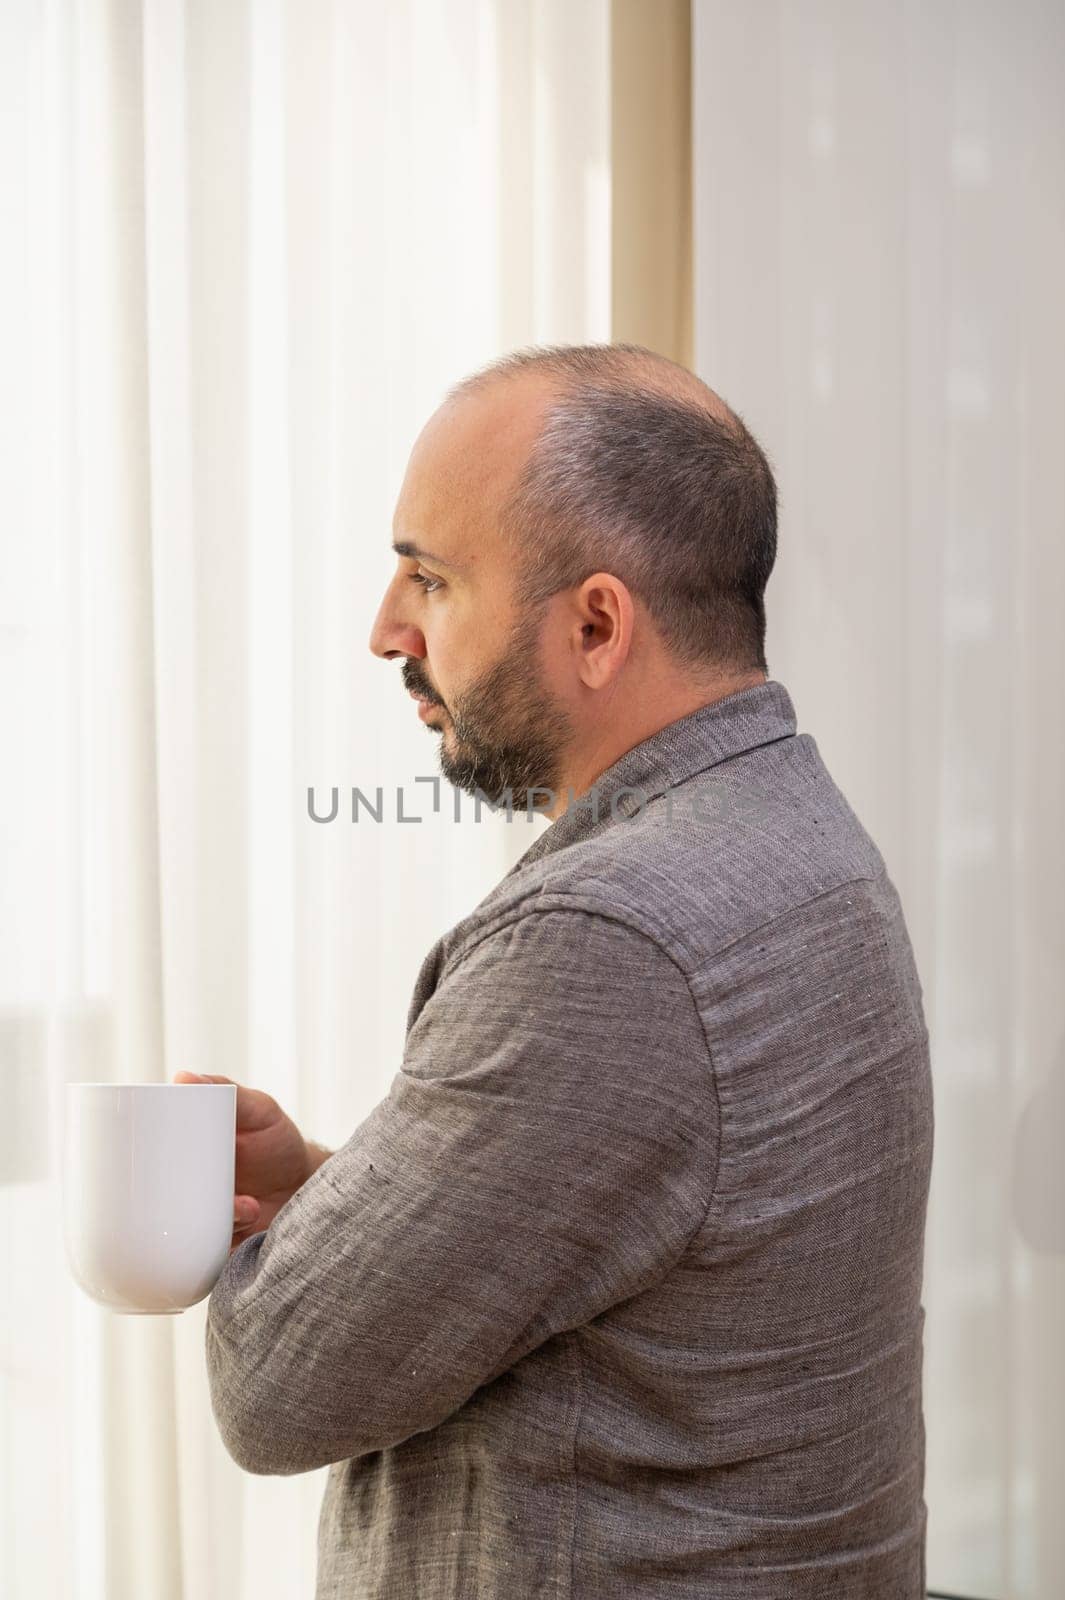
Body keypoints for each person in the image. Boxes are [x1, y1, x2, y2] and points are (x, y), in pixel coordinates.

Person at [182, 343, 934, 1598]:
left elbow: (277, 1386)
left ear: (594, 624)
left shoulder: (611, 939)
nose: (384, 630)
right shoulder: (798, 830)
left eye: (428, 575)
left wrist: (229, 1240)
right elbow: (634, 1244)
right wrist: (332, 1194)